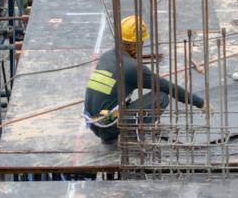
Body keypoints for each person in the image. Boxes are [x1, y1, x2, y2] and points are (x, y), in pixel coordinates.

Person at [83, 16, 208, 144]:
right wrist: (201, 103)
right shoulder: (133, 67)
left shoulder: (106, 56)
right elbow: (170, 88)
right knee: (161, 97)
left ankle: (118, 131)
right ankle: (130, 135)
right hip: (110, 128)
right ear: (139, 43)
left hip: (95, 124)